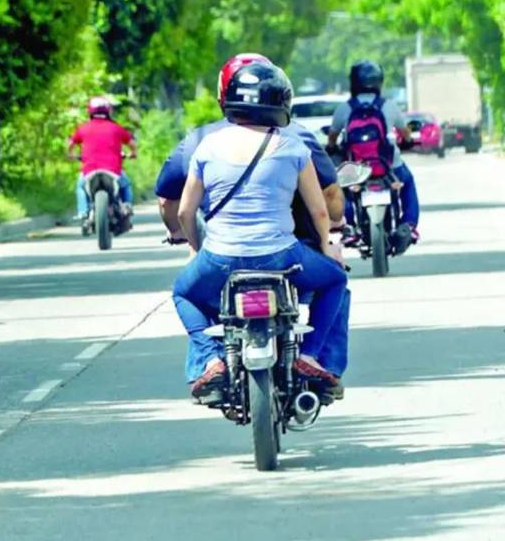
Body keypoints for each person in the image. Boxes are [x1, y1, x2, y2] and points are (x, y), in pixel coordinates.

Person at [156, 53, 350, 388]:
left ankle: (209, 358)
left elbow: (185, 211)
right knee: (334, 281)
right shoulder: (293, 146)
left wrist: (199, 247)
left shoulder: (206, 146)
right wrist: (326, 246)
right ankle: (311, 356)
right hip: (282, 256)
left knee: (183, 293)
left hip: (220, 258)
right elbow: (320, 210)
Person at [328, 60, 420, 251]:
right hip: (388, 166)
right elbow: (404, 133)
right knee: (408, 183)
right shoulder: (389, 106)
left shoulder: (345, 108)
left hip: (356, 169)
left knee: (341, 188)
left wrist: (331, 147)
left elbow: (333, 136)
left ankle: (349, 226)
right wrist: (409, 141)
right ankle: (409, 225)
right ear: (379, 81)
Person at [68, 97, 137, 221]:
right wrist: (133, 153)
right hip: (113, 170)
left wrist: (71, 154)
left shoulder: (83, 128)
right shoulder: (116, 128)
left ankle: (83, 211)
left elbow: (71, 144)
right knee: (126, 185)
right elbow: (131, 143)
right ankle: (127, 205)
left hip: (89, 170)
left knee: (81, 186)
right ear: (108, 111)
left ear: (90, 111)